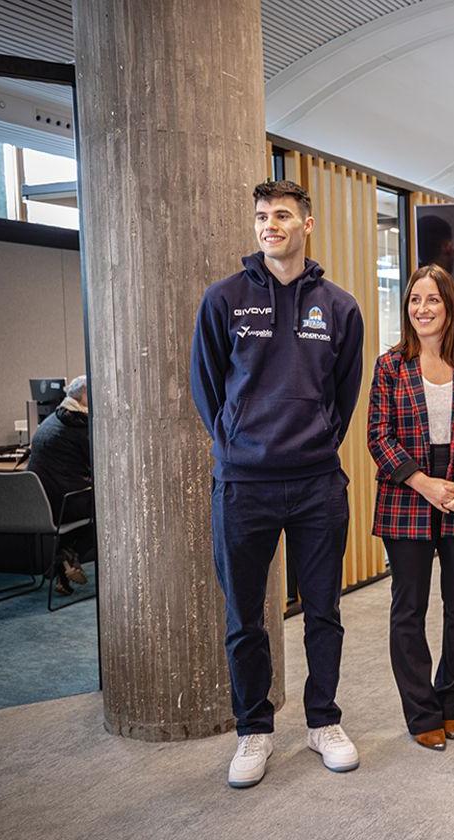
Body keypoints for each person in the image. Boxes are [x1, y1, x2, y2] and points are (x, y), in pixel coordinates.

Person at [190, 179, 364, 788]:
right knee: (245, 617)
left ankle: (323, 721)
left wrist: (314, 439)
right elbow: (206, 387)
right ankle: (253, 730)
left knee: (323, 611)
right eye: (263, 216)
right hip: (243, 486)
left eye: (283, 215)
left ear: (306, 224)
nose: (271, 225)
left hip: (317, 482)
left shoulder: (339, 307)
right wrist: (238, 444)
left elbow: (344, 394)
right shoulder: (224, 300)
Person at [367, 264, 454, 752]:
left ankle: (453, 704)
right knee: (409, 609)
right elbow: (377, 437)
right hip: (408, 494)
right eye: (414, 300)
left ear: (450, 308)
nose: (422, 309)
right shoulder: (390, 366)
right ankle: (421, 711)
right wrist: (424, 483)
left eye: (433, 300)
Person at [27, 374, 94, 594]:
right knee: (111, 511)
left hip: (39, 504)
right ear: (85, 395)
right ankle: (68, 555)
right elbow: (98, 463)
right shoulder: (80, 424)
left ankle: (64, 568)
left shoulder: (50, 421)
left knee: (78, 508)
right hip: (66, 503)